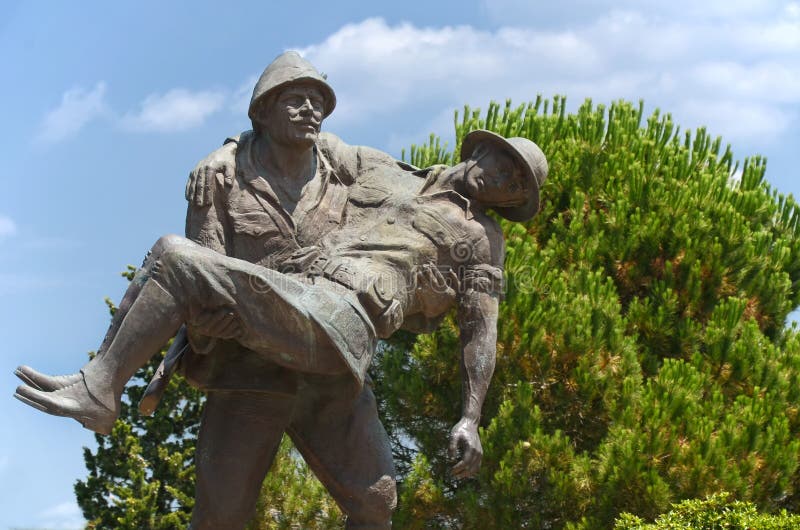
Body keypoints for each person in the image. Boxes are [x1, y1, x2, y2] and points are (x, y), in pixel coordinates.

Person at [14, 52, 548, 530]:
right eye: (505, 165)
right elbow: (284, 134)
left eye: (517, 184)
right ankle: (100, 387)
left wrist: (470, 417)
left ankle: (100, 388)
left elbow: (482, 330)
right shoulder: (379, 167)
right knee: (220, 516)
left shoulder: (482, 239)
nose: (504, 180)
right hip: (270, 345)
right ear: (481, 150)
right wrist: (223, 153)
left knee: (375, 502)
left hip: (340, 328)